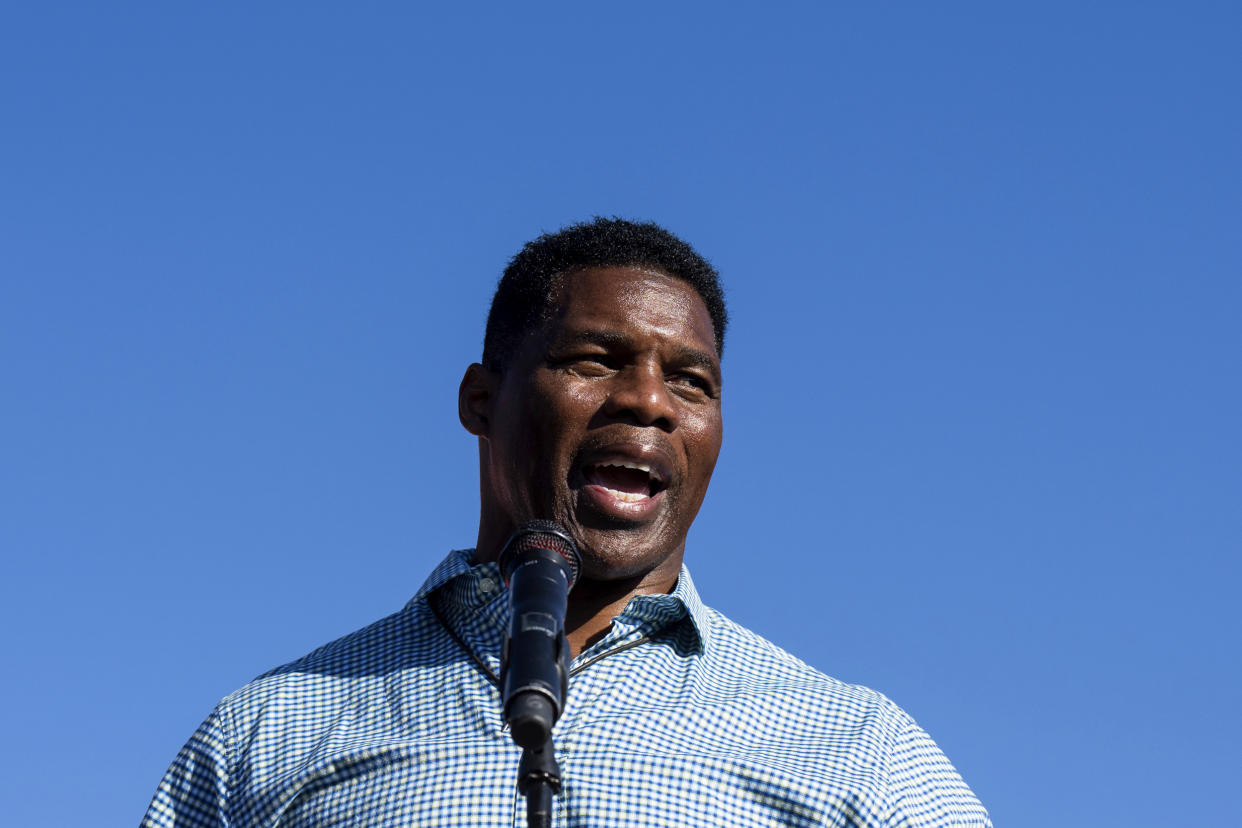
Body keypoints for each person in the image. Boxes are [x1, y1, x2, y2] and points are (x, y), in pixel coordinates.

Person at [142, 218, 991, 826]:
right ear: (482, 400)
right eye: (596, 359)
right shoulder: (270, 730)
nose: (649, 401)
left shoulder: (861, 752)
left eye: (693, 382)